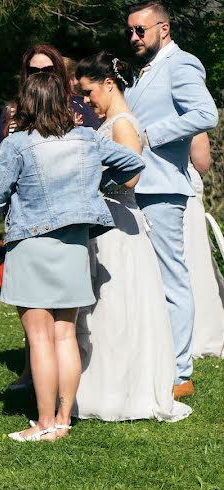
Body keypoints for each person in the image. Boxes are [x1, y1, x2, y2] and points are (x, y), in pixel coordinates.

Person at [0, 73, 145, 441]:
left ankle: (42, 423)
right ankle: (63, 420)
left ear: (26, 103)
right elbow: (134, 164)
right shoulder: (86, 138)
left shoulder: (17, 143)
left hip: (31, 243)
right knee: (65, 335)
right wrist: (94, 185)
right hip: (73, 244)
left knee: (39, 339)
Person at [0, 43, 102, 391]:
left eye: (47, 70)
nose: (41, 76)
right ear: (24, 74)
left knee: (67, 320)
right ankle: (36, 377)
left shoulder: (79, 109)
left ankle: (72, 387)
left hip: (71, 219)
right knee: (36, 315)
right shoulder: (13, 111)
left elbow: (99, 154)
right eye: (34, 71)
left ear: (60, 72)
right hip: (25, 215)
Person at [73, 51, 191, 422]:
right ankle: (100, 384)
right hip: (106, 218)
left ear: (109, 84)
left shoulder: (123, 123)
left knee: (117, 305)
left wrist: (88, 181)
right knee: (104, 306)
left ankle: (121, 390)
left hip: (118, 219)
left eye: (89, 91)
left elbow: (131, 176)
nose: (87, 100)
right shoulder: (109, 121)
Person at [124, 1, 219, 398]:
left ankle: (181, 374)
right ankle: (152, 360)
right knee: (145, 279)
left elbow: (205, 114)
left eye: (140, 30)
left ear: (164, 28)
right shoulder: (145, 70)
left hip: (163, 186)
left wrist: (150, 135)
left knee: (172, 278)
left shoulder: (182, 64)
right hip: (137, 187)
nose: (133, 38)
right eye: (129, 31)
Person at [184, 133, 224, 358]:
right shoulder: (186, 107)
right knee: (195, 260)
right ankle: (203, 333)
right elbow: (202, 161)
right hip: (185, 184)